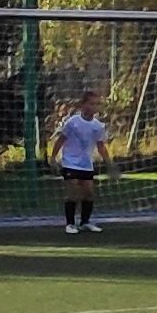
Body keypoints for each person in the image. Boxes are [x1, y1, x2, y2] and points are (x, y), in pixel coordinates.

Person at [53, 90, 112, 236]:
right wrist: (53, 157)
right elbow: (61, 139)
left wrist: (109, 163)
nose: (94, 107)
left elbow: (101, 146)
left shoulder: (98, 126)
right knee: (73, 191)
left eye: (97, 104)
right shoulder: (72, 122)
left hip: (86, 164)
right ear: (83, 104)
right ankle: (70, 224)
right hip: (70, 162)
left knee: (89, 193)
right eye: (91, 103)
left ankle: (85, 222)